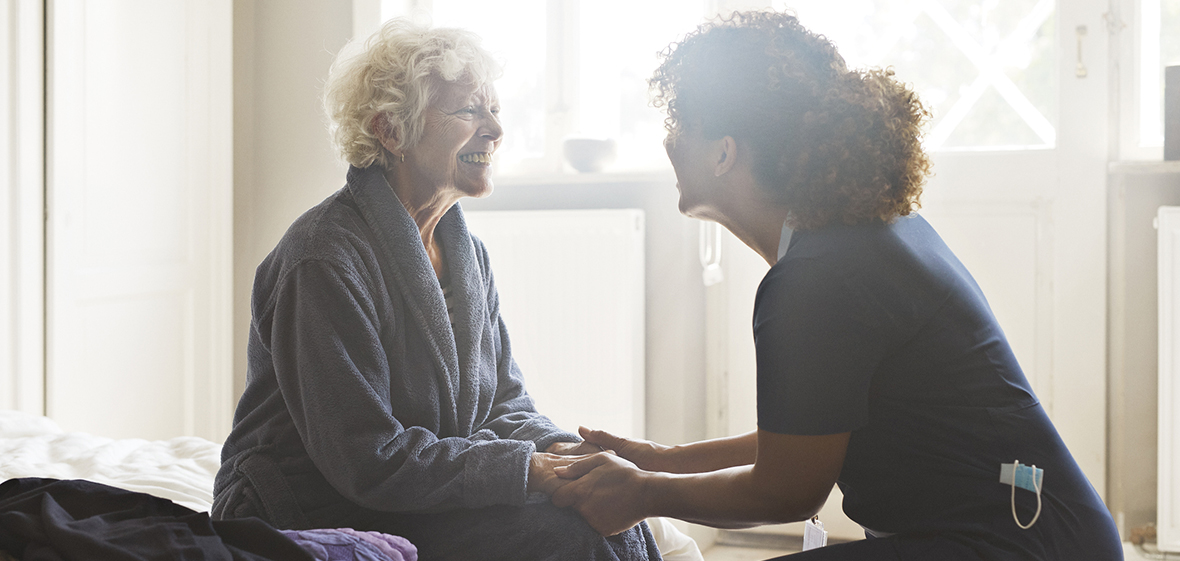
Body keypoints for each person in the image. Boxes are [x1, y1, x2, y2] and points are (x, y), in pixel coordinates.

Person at [548, 10, 1124, 561]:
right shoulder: (857, 237)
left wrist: (645, 491)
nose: (668, 142)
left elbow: (788, 491)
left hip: (1017, 547)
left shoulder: (817, 281)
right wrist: (663, 460)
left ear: (725, 152)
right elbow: (806, 435)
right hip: (1051, 537)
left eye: (678, 124)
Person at [211, 19, 661, 561]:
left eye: (496, 110)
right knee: (563, 537)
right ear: (390, 130)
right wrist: (528, 471)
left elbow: (502, 401)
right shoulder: (323, 258)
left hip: (412, 493)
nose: (495, 129)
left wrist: (565, 455)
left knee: (613, 517)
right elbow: (366, 458)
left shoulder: (467, 253)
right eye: (470, 111)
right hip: (309, 505)